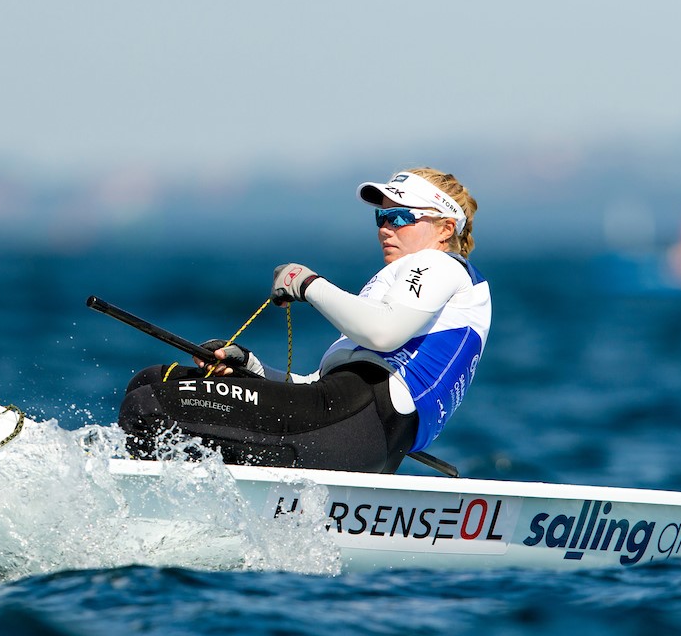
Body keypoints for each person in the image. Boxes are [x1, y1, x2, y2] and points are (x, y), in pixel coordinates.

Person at [118, 168, 492, 473]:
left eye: (400, 217)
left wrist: (308, 284)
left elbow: (381, 332)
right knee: (154, 382)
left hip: (356, 428)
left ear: (445, 229)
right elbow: (317, 385)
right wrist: (252, 367)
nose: (384, 228)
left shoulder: (441, 265)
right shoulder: (412, 289)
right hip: (347, 424)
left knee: (152, 397)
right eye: (381, 216)